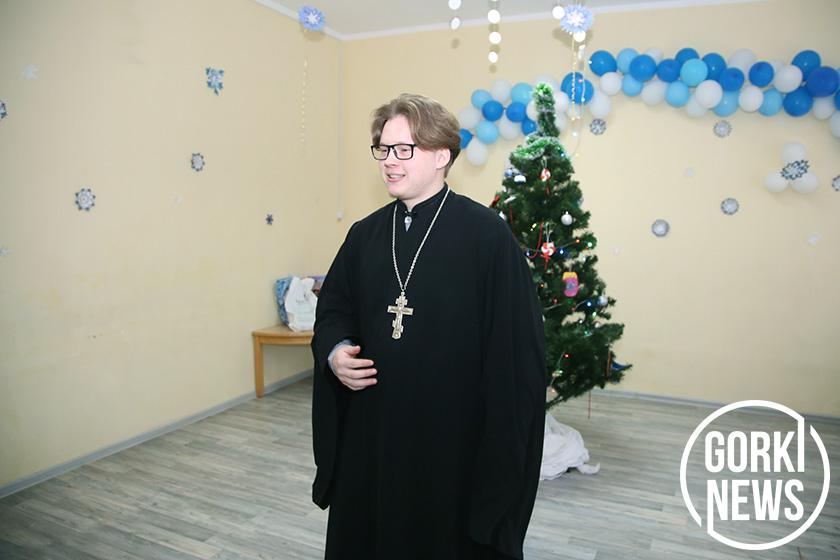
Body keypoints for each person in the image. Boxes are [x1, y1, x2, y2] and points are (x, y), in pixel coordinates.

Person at [310, 93, 546, 560]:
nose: (389, 160)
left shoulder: (487, 236)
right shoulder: (364, 234)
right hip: (373, 433)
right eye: (383, 148)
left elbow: (515, 349)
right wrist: (336, 351)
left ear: (441, 156)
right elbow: (334, 309)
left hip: (450, 440)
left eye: (404, 149)